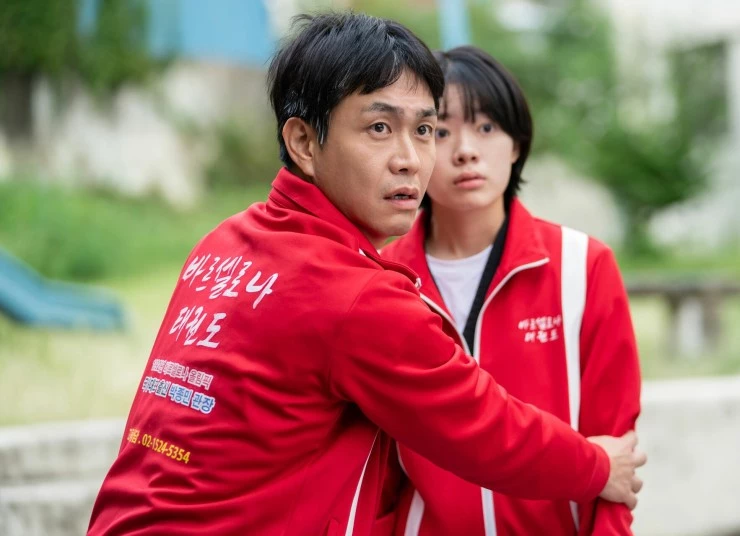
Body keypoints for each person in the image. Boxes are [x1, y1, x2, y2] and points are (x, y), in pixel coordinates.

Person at [87, 13, 644, 536]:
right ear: (303, 142)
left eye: (423, 130)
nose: (410, 159)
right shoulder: (355, 294)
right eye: (379, 127)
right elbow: (483, 428)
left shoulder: (225, 244)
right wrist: (599, 467)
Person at [382, 46, 642, 535]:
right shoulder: (383, 280)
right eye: (439, 131)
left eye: (486, 127)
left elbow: (616, 449)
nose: (465, 150)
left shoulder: (582, 266)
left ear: (517, 143)